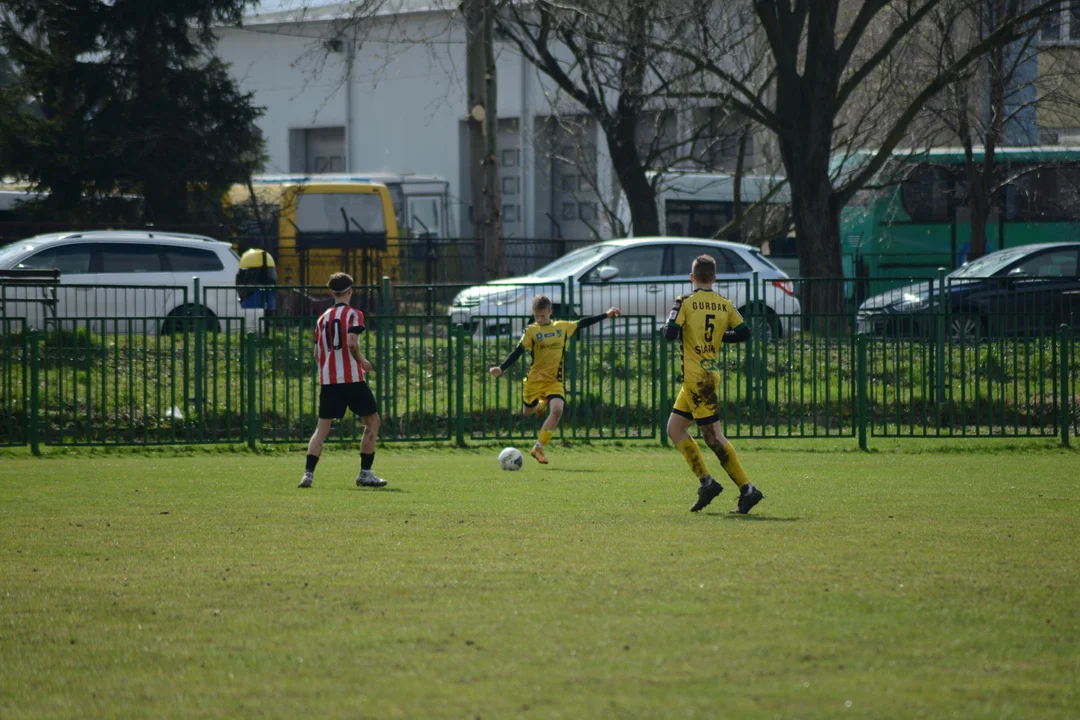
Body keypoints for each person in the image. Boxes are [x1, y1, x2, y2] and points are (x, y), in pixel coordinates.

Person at [664, 255, 764, 514]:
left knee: (714, 436)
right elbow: (744, 332)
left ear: (692, 277)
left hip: (697, 378)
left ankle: (747, 489)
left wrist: (681, 326)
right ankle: (707, 483)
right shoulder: (724, 304)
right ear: (715, 279)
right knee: (675, 429)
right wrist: (719, 336)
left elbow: (669, 333)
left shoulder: (684, 301)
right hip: (704, 376)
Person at [489, 295, 621, 464]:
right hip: (534, 381)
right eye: (537, 316)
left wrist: (606, 315)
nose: (540, 319)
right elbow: (518, 351)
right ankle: (540, 405)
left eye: (543, 315)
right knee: (527, 412)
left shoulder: (562, 327)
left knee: (558, 409)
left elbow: (582, 323)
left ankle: (538, 448)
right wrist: (502, 368)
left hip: (554, 380)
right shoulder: (531, 331)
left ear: (550, 311)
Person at [299, 272, 387, 489]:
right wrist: (363, 361)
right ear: (350, 291)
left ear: (331, 292)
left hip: (329, 381)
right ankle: (365, 473)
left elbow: (317, 353)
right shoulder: (354, 314)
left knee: (322, 428)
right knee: (373, 421)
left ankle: (308, 475)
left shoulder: (322, 319)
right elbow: (351, 343)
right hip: (352, 380)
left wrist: (329, 367)